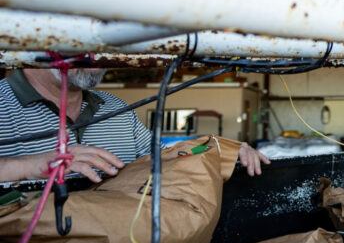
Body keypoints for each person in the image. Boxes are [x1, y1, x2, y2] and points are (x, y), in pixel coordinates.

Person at [0, 66, 269, 183]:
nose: (95, 57)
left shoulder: (115, 108)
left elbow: (161, 157)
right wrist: (31, 166)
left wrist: (218, 150)